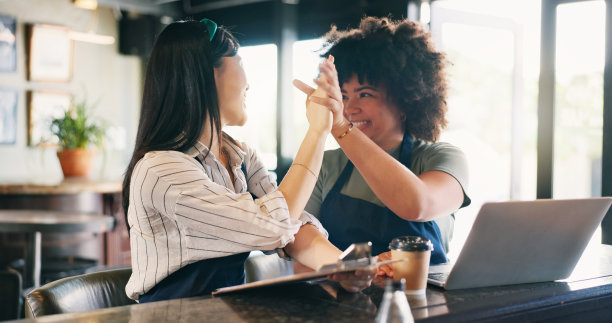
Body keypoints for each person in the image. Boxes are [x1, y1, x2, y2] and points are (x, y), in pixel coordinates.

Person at [121, 19, 372, 302]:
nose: (249, 84)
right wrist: (316, 132)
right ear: (207, 73)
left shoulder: (241, 156)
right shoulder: (160, 170)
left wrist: (344, 266)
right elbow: (274, 223)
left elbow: (292, 225)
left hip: (224, 311)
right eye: (240, 62)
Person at [294, 17, 471, 271]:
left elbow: (417, 204)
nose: (349, 108)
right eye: (342, 96)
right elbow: (302, 259)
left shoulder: (442, 158)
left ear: (405, 100)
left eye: (365, 94)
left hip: (424, 303)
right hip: (340, 304)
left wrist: (342, 127)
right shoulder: (324, 165)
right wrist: (360, 270)